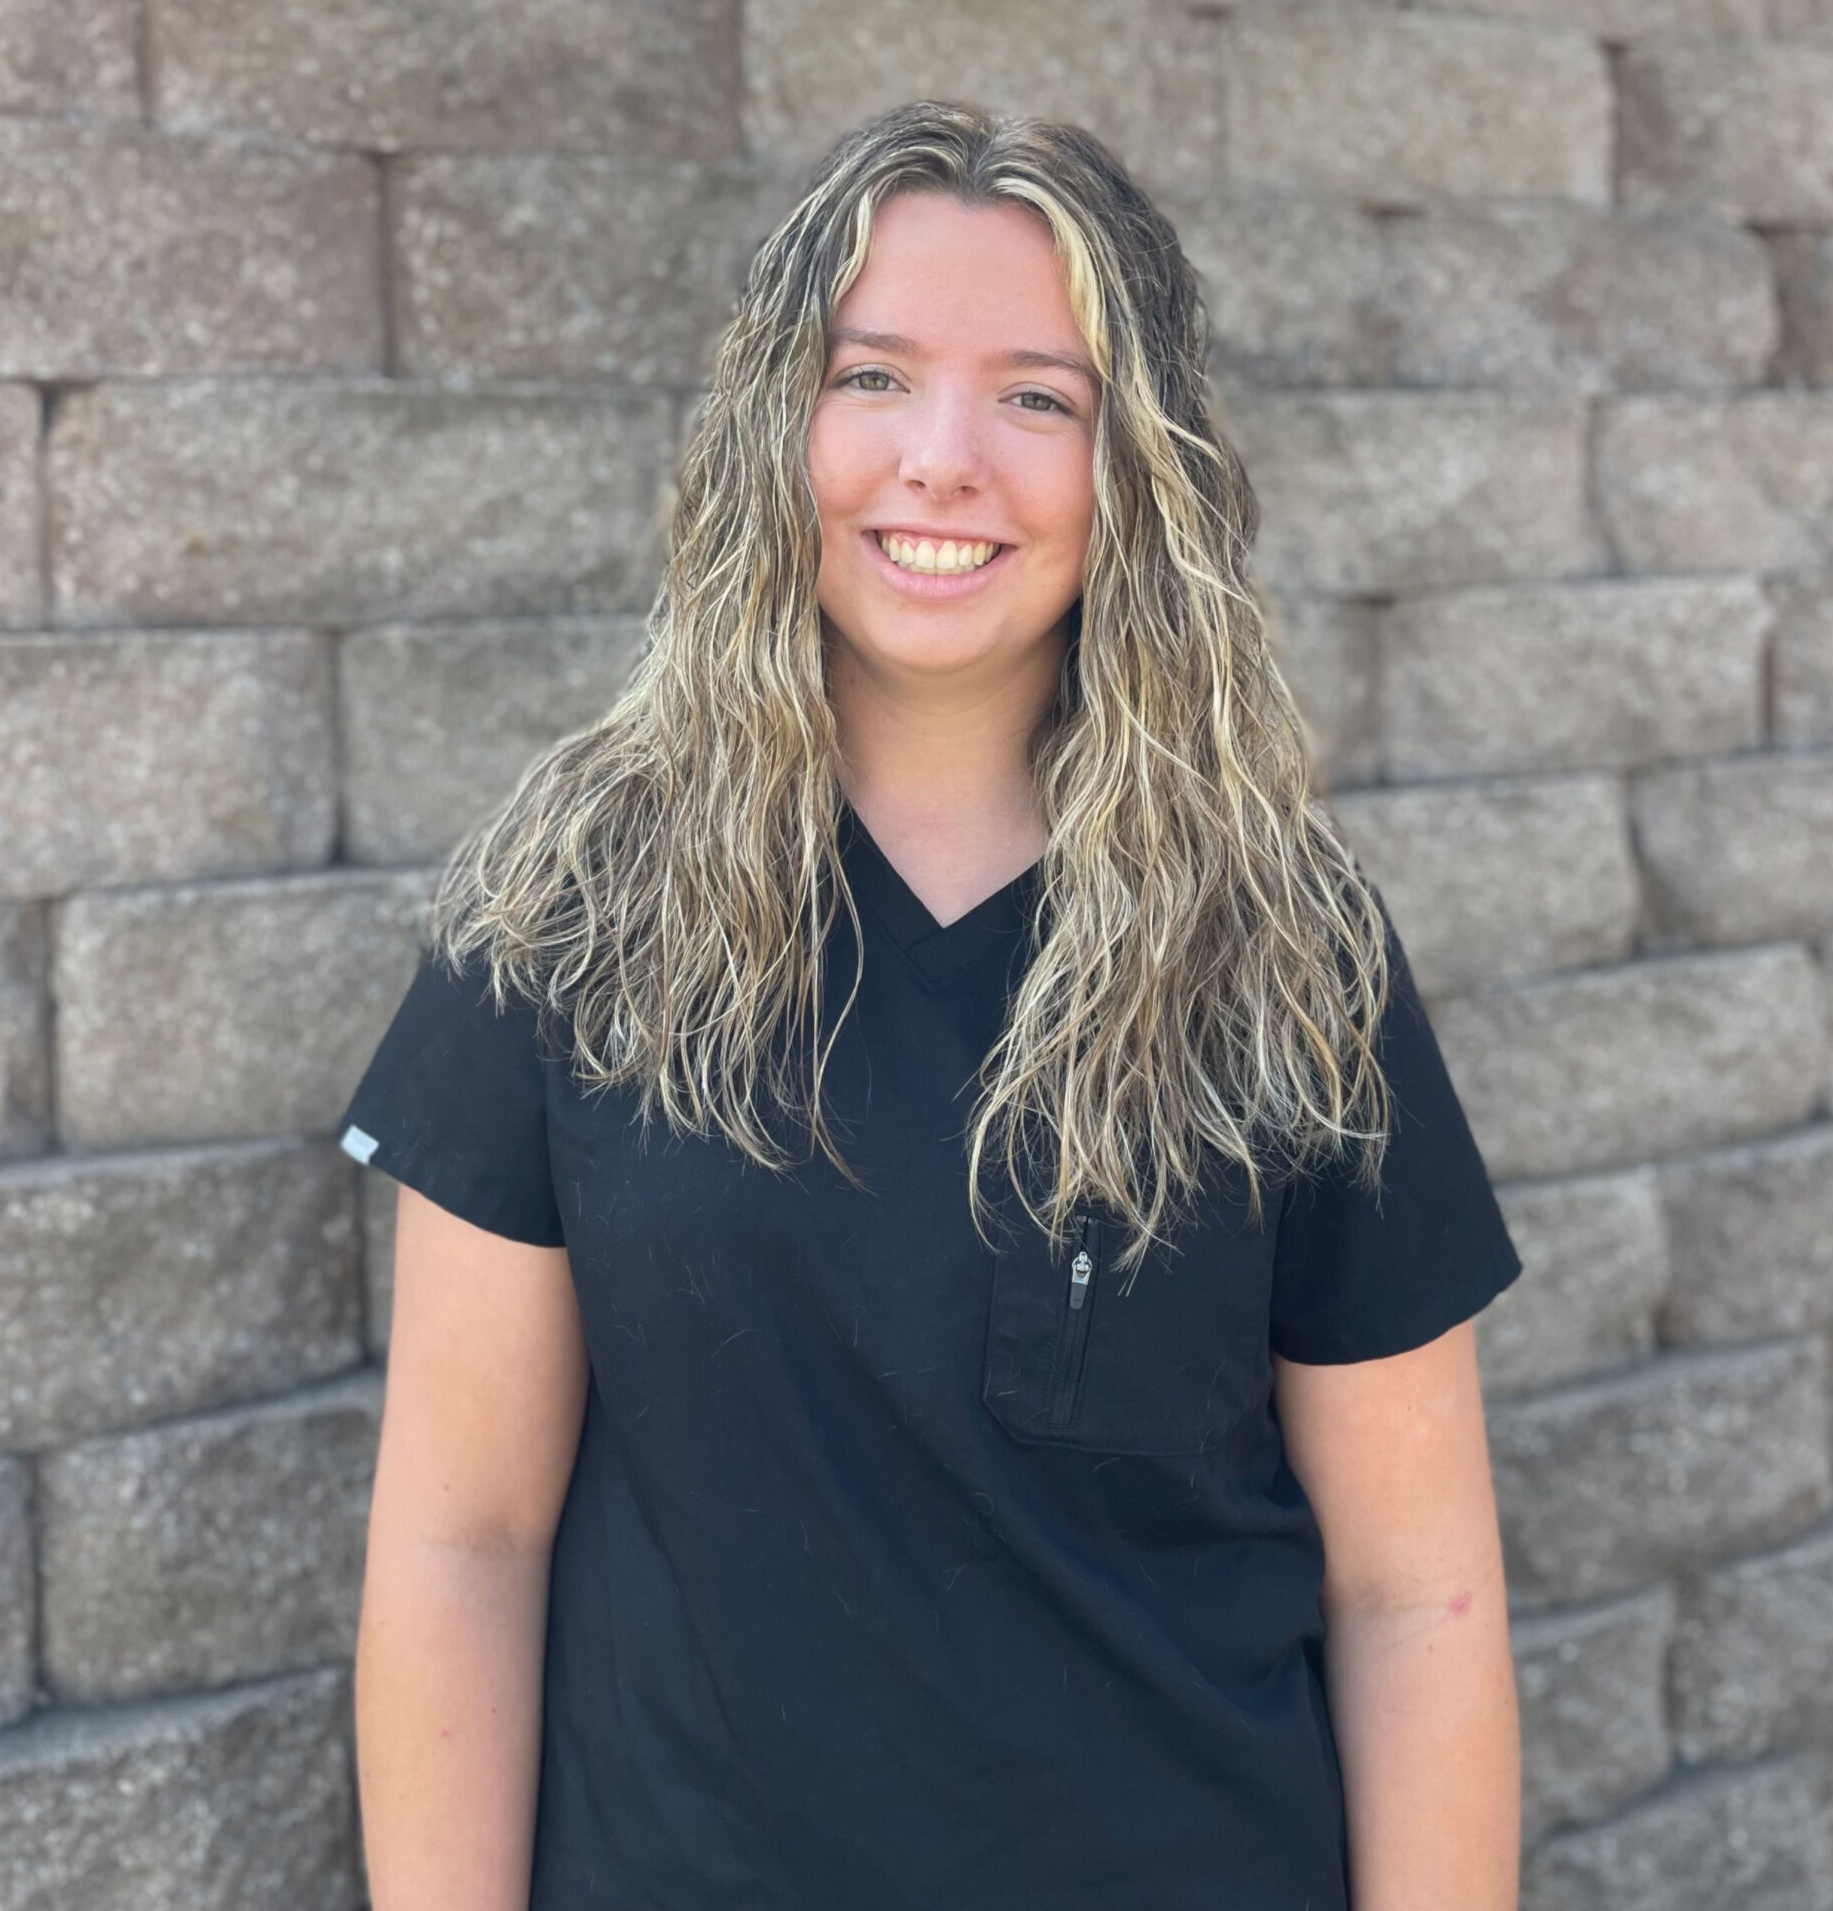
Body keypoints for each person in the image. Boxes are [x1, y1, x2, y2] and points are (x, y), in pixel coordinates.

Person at [339, 100, 1525, 1911]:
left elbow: (1414, 1597)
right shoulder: (571, 909)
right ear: (777, 420)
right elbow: (460, 1545)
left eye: (1039, 397)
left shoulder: (1285, 951)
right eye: (874, 375)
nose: (945, 459)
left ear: (1138, 465)